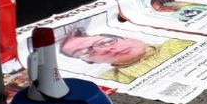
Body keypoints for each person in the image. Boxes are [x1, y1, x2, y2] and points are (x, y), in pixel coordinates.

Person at [60, 29, 194, 84]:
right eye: (85, 52)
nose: (107, 50)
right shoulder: (110, 79)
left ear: (125, 37)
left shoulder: (178, 43)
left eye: (105, 42)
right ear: (90, 61)